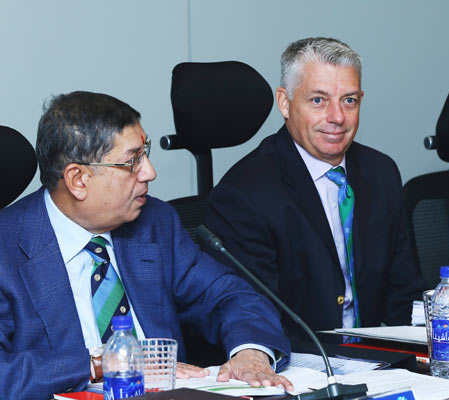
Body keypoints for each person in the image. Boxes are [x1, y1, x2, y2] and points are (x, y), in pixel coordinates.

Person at [0, 91, 293, 399]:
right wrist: (105, 363)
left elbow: (230, 295)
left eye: (146, 153)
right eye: (132, 161)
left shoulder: (154, 223)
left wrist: (252, 352)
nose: (150, 172)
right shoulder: (7, 247)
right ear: (78, 179)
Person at [206, 37, 426, 344]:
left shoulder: (380, 172)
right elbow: (253, 318)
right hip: (301, 365)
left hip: (381, 360)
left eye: (349, 100)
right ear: (285, 102)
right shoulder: (245, 193)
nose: (337, 117)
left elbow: (405, 296)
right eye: (318, 101)